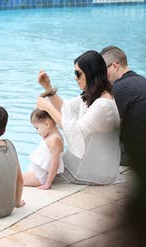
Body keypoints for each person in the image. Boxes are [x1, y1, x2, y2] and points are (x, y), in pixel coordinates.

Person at [37, 50, 120, 185]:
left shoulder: (103, 105)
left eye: (78, 73)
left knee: (42, 171)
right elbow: (65, 108)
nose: (75, 77)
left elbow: (76, 131)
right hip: (91, 166)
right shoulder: (94, 96)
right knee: (46, 163)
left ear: (91, 73)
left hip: (93, 172)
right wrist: (48, 87)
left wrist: (48, 108)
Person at [100, 46, 146, 166]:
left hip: (141, 156)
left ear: (115, 66)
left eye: (103, 70)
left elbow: (110, 129)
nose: (102, 76)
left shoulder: (121, 87)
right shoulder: (143, 81)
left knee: (97, 149)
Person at [23, 108, 64, 190]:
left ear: (47, 124)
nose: (37, 131)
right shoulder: (50, 134)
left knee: (12, 178)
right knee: (12, 174)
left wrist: (47, 183)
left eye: (37, 128)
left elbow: (55, 162)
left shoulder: (54, 139)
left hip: (39, 176)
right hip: (37, 172)